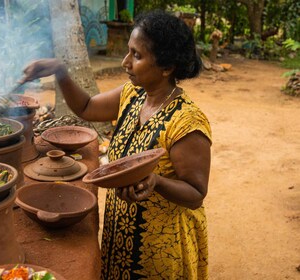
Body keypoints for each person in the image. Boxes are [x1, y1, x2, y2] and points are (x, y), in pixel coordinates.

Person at [20, 9, 212, 280]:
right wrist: (60, 72)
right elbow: (86, 107)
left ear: (167, 68)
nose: (125, 62)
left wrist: (156, 181)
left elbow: (195, 193)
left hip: (159, 248)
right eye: (128, 51)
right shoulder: (132, 95)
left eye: (137, 55)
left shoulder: (186, 122)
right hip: (121, 235)